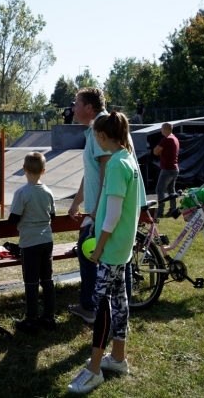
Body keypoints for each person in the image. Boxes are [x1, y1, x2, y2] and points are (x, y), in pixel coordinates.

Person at [67, 111, 140, 393]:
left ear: (100, 136)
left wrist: (97, 248)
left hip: (110, 248)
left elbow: (112, 215)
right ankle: (118, 358)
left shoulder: (116, 166)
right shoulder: (128, 158)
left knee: (101, 308)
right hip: (122, 247)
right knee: (120, 302)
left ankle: (94, 369)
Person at [67, 87, 144, 324]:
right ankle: (116, 309)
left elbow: (107, 174)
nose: (73, 109)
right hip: (103, 207)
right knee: (116, 259)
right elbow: (91, 171)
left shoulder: (103, 130)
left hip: (106, 208)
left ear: (89, 107)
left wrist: (96, 211)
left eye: (76, 104)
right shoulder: (98, 130)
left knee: (92, 251)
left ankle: (95, 308)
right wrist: (76, 202)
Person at [8, 152, 57, 334]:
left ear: (24, 169)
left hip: (30, 242)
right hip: (47, 240)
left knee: (31, 282)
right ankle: (49, 317)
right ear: (43, 171)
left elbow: (13, 219)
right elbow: (52, 216)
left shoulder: (22, 193)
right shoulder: (48, 192)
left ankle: (31, 321)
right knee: (47, 280)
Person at [154, 122, 180, 220]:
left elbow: (156, 151)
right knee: (171, 191)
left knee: (159, 189)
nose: (161, 130)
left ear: (165, 129)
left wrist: (160, 151)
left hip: (167, 169)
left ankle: (160, 211)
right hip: (175, 168)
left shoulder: (167, 139)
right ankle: (173, 210)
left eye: (161, 128)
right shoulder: (175, 139)